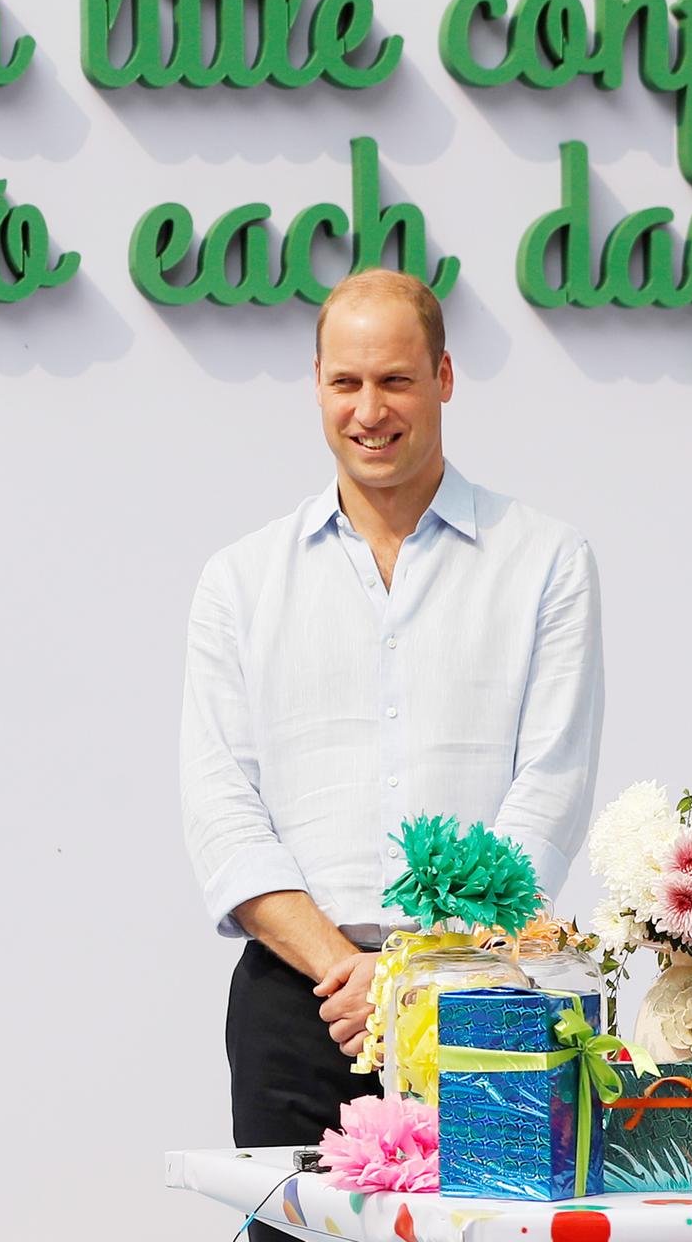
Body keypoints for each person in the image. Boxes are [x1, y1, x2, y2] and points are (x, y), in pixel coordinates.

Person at [179, 270, 604, 1204]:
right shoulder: (242, 580)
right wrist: (351, 973)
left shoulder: (545, 562)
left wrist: (415, 979)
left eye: (397, 381)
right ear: (317, 387)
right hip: (302, 1005)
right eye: (347, 383)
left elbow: (551, 787)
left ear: (445, 377)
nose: (370, 411)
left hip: (486, 998)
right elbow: (223, 808)